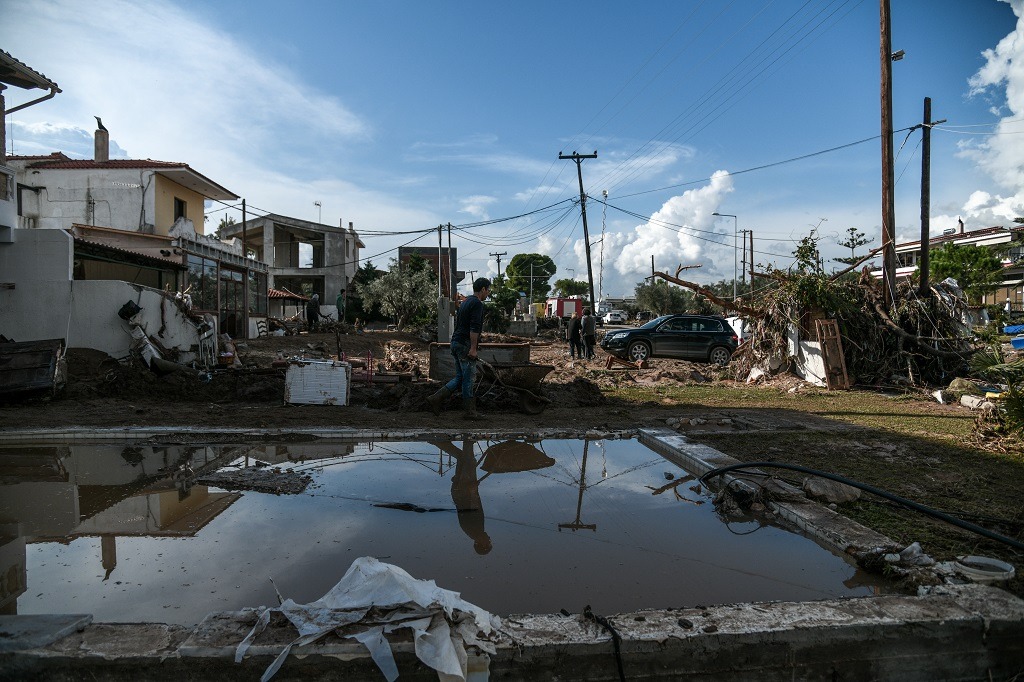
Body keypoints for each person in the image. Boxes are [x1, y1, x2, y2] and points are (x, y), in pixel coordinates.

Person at [426, 277, 491, 419]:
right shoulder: (477, 304)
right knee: (469, 378)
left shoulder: (466, 302)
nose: (488, 294)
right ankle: (469, 412)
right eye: (488, 290)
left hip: (455, 343)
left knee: (460, 377)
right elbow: (474, 328)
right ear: (483, 289)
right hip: (464, 345)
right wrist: (473, 348)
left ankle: (436, 398)